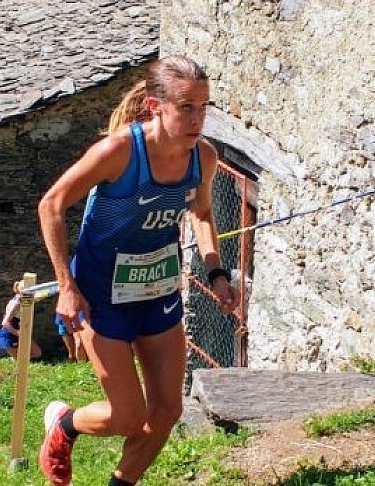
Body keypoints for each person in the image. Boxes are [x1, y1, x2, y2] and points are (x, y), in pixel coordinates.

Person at [37, 55, 239, 486]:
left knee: (167, 411)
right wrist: (67, 287)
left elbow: (202, 213)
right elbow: (51, 204)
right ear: (155, 107)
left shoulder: (202, 158)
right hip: (102, 298)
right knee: (127, 416)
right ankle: (64, 423)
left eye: (203, 107)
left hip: (159, 293)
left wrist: (216, 273)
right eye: (186, 107)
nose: (197, 119)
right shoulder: (120, 152)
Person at [0, 280, 43, 359]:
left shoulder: (25, 300)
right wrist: (18, 333)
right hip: (10, 333)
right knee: (18, 359)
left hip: (20, 331)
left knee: (37, 352)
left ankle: (19, 360)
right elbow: (5, 323)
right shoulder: (16, 303)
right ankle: (17, 361)